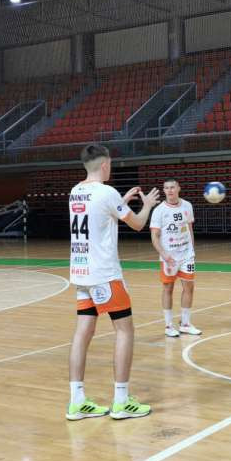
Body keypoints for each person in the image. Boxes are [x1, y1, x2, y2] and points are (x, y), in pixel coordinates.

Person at [67, 144, 160, 421]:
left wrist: (122, 200)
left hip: (81, 273)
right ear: (105, 164)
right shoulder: (107, 193)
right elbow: (138, 224)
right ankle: (121, 401)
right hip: (104, 274)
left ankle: (77, 401)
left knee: (82, 332)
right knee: (125, 331)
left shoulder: (75, 192)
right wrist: (146, 206)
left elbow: (101, 217)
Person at [150, 177, 201, 338]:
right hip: (169, 257)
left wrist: (192, 249)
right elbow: (155, 236)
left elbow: (189, 228)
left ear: (178, 188)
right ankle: (168, 326)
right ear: (164, 191)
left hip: (186, 255)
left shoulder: (187, 206)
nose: (170, 190)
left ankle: (185, 324)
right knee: (168, 289)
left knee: (189, 288)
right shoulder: (159, 210)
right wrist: (164, 254)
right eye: (166, 188)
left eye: (172, 187)